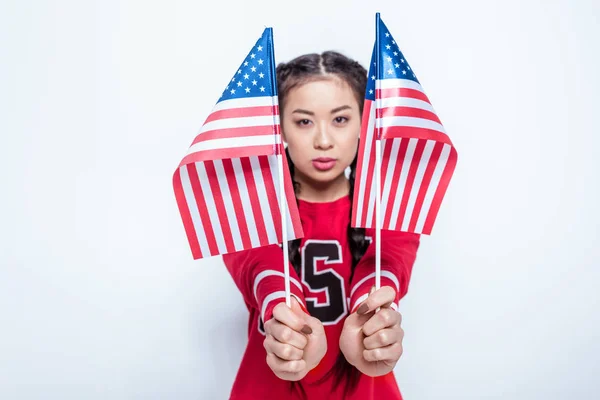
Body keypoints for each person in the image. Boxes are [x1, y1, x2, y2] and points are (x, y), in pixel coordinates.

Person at [222, 50, 420, 400]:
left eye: (340, 120)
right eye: (304, 121)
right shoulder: (251, 211)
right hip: (267, 388)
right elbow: (260, 267)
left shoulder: (389, 208)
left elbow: (390, 262)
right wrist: (285, 316)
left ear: (365, 122)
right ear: (278, 126)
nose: (324, 140)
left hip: (365, 389)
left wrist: (373, 316)